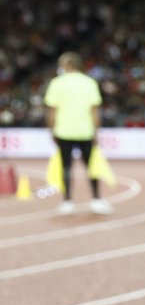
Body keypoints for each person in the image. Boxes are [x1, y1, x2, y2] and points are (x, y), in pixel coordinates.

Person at [44, 51, 112, 215]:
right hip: (85, 131)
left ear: (66, 65)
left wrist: (51, 130)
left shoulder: (56, 83)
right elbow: (95, 111)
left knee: (66, 167)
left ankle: (67, 201)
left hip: (63, 131)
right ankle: (96, 200)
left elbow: (52, 111)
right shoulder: (89, 83)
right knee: (92, 166)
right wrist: (96, 131)